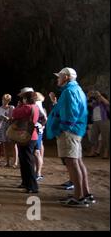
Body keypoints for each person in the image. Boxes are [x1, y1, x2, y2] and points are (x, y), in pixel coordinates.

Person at [46, 67, 95, 207]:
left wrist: (61, 129)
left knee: (72, 163)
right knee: (78, 162)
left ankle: (78, 197)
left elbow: (70, 114)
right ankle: (85, 193)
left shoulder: (69, 92)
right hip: (76, 131)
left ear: (66, 77)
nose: (57, 79)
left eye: (59, 77)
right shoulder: (77, 89)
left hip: (69, 132)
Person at [12, 87, 40, 194]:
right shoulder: (35, 107)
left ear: (26, 99)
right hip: (32, 135)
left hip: (25, 136)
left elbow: (14, 113)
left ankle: (33, 186)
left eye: (23, 98)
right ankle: (25, 183)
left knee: (27, 162)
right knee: (24, 160)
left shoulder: (26, 108)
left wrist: (19, 106)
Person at [86, 91, 110, 159]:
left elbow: (107, 102)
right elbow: (86, 103)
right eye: (97, 97)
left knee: (105, 138)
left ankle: (105, 154)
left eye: (99, 97)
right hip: (95, 122)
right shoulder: (95, 104)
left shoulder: (105, 104)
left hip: (104, 121)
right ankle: (92, 152)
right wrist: (88, 96)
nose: (98, 98)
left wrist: (99, 95)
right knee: (93, 138)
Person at [0, 94, 17, 168]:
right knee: (5, 145)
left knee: (13, 145)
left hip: (11, 127)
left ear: (9, 100)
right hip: (3, 127)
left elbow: (14, 117)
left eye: (7, 100)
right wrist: (1, 118)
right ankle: (7, 162)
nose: (5, 101)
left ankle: (15, 162)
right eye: (4, 99)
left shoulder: (11, 107)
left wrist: (9, 118)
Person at [34, 92, 47, 181]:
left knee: (36, 152)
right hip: (36, 129)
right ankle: (36, 172)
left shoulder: (37, 104)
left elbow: (45, 118)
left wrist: (41, 126)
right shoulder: (38, 104)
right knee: (36, 152)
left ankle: (38, 173)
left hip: (36, 130)